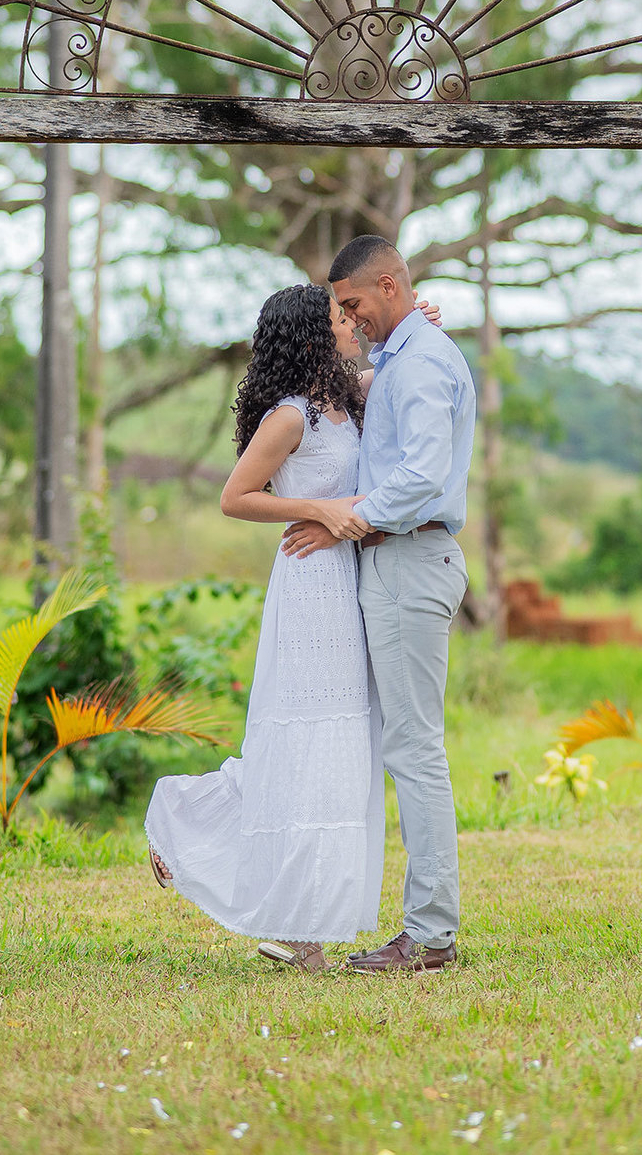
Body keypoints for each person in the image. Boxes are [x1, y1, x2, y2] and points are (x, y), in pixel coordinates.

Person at [144, 281, 437, 974]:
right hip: (310, 589)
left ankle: (295, 922)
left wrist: (420, 320)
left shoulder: (351, 398)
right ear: (312, 332)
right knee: (305, 743)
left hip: (352, 582)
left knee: (337, 753)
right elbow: (235, 498)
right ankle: (206, 850)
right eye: (340, 317)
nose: (351, 324)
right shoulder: (290, 416)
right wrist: (320, 510)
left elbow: (396, 368)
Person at [282, 235, 476, 975]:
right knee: (409, 745)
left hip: (407, 558)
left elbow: (423, 475)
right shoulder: (407, 355)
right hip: (399, 561)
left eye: (355, 304)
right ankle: (427, 928)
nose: (350, 318)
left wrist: (346, 519)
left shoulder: (421, 361)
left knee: (415, 749)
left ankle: (429, 935)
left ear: (389, 286)